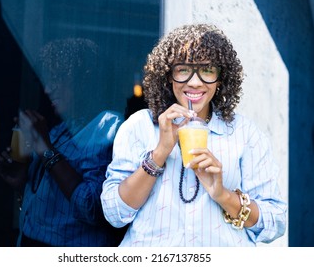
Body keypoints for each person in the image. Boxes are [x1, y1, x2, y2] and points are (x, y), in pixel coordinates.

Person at [100, 24, 287, 247]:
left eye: (207, 70)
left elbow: (275, 222)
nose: (195, 82)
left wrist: (222, 195)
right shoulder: (139, 126)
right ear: (168, 75)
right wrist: (159, 154)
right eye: (183, 69)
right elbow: (114, 213)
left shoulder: (245, 134)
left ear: (220, 80)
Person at [0, 38, 125, 246]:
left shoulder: (108, 127)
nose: (48, 89)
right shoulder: (60, 130)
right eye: (47, 80)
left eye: (58, 79)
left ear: (84, 81)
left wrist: (44, 148)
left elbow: (92, 209)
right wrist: (21, 184)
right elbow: (49, 208)